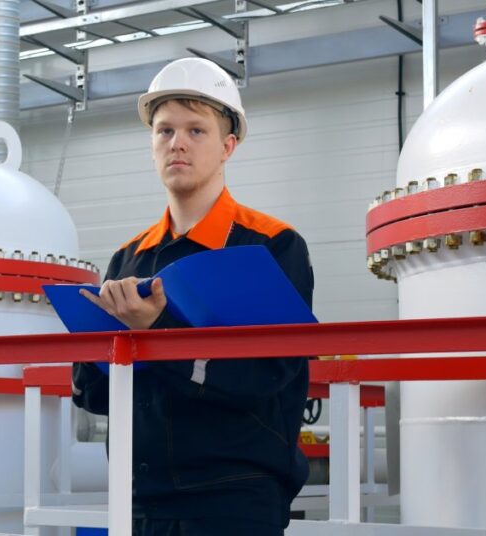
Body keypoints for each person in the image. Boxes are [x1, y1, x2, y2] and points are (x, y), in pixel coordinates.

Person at [71, 57, 315, 536]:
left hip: (234, 497)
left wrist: (156, 331)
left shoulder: (271, 246)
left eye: (195, 131)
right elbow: (95, 396)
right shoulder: (128, 259)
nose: (177, 143)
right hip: (139, 499)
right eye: (164, 131)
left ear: (228, 146)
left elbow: (264, 375)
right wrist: (91, 352)